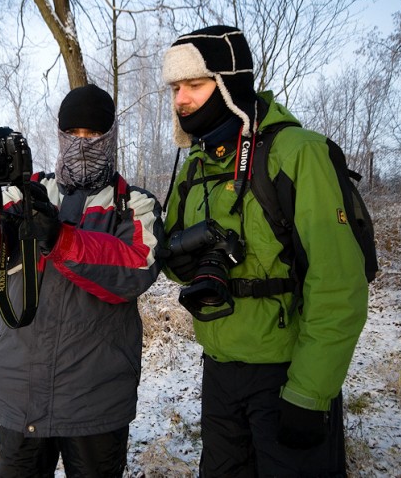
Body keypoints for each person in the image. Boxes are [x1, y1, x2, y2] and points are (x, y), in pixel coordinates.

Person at [160, 26, 369, 476]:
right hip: (218, 371)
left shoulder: (296, 152)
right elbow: (180, 265)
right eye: (175, 88)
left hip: (286, 372)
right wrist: (178, 258)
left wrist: (310, 392)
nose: (181, 100)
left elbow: (338, 284)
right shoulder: (197, 163)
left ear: (229, 82)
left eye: (194, 85)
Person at [0, 84, 164, 477]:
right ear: (60, 136)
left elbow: (136, 267)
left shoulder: (133, 203)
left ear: (110, 137)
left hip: (94, 400)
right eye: (73, 134)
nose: (82, 144)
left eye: (93, 135)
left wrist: (59, 238)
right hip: (20, 391)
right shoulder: (23, 191)